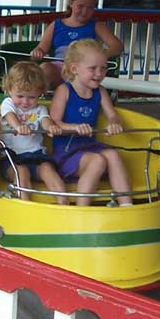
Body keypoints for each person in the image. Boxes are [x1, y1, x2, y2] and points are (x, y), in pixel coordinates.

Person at [50, 39, 133, 207]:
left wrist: (114, 123)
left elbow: (112, 115)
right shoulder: (64, 91)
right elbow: (53, 123)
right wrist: (74, 127)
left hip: (89, 146)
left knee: (112, 154)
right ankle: (82, 209)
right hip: (67, 152)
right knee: (98, 160)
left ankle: (126, 204)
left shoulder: (100, 92)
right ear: (75, 69)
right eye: (93, 68)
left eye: (103, 68)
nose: (99, 73)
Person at [0, 61, 68, 205]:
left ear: (40, 93)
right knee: (22, 172)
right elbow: (9, 116)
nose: (25, 102)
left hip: (36, 155)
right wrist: (18, 126)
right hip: (12, 157)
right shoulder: (8, 103)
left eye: (31, 97)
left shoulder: (40, 109)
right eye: (20, 96)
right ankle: (25, 206)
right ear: (9, 90)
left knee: (48, 170)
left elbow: (45, 120)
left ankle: (63, 203)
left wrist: (51, 127)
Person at [30, 0, 123, 88]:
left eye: (90, 8)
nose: (84, 12)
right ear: (70, 3)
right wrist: (37, 52)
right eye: (80, 6)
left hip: (84, 69)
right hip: (59, 67)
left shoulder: (97, 25)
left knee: (82, 75)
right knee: (45, 68)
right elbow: (41, 48)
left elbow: (117, 46)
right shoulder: (56, 25)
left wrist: (100, 56)